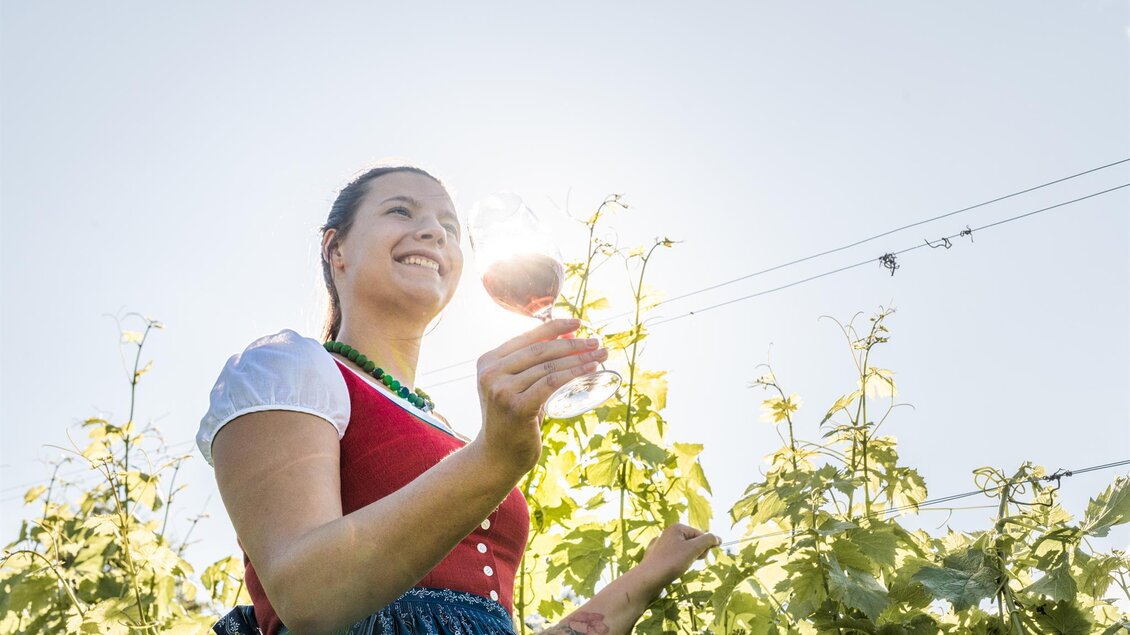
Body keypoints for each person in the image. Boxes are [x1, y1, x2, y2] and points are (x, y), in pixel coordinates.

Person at [197, 165, 720, 635]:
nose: (433, 232)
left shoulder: (450, 428)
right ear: (337, 249)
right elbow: (307, 598)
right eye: (401, 211)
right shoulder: (286, 369)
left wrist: (646, 577)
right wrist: (495, 458)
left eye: (450, 228)